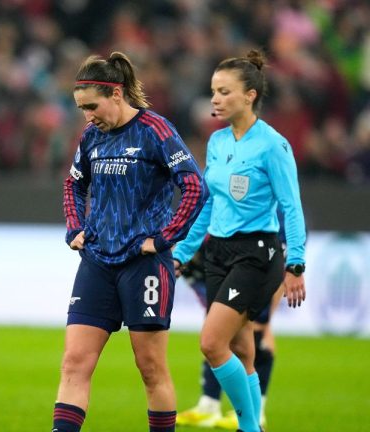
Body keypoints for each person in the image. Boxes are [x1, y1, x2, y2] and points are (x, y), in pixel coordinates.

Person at [53, 51, 208, 432]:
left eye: (92, 106)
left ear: (116, 94)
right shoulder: (92, 137)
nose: (86, 116)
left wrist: (164, 239)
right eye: (80, 108)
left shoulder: (155, 131)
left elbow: (194, 186)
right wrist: (75, 228)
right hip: (97, 262)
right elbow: (74, 183)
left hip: (143, 266)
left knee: (150, 368)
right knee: (74, 362)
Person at [172, 50, 307, 432]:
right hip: (218, 253)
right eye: (213, 91)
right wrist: (182, 253)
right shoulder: (217, 143)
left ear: (249, 95)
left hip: (257, 254)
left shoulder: (272, 145)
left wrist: (295, 264)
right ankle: (255, 428)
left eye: (224, 91)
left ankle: (249, 427)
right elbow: (209, 204)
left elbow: (291, 208)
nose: (214, 99)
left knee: (212, 343)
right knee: (240, 349)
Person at [175, 244, 283, 430]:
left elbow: (281, 263)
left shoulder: (272, 221)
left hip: (254, 260)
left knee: (249, 341)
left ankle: (254, 416)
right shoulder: (194, 258)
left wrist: (267, 323)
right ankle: (212, 405)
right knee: (219, 341)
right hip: (223, 260)